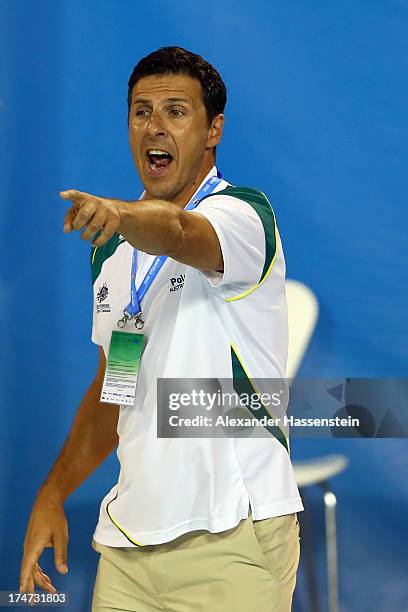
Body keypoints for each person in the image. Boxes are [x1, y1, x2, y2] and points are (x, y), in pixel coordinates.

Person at [20, 46, 303, 611]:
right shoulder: (111, 256)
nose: (155, 126)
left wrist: (122, 215)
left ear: (213, 129)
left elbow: (177, 230)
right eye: (141, 111)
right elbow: (115, 390)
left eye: (176, 111)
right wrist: (53, 492)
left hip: (234, 540)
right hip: (129, 548)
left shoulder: (243, 217)